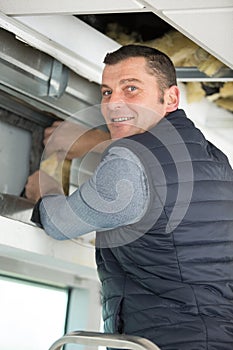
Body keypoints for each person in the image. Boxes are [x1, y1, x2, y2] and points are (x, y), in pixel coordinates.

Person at [25, 45, 233, 350]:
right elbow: (157, 160)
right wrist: (96, 142)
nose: (113, 103)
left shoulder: (129, 159)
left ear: (171, 98)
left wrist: (44, 186)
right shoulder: (216, 159)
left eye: (131, 88)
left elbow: (59, 223)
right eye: (107, 92)